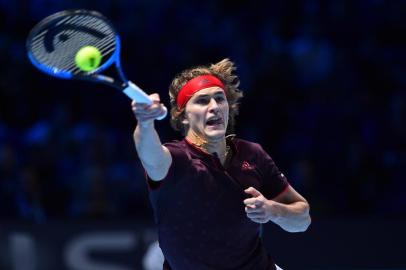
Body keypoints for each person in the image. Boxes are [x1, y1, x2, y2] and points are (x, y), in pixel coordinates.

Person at [132, 59, 311, 270]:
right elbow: (148, 152)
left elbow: (303, 218)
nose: (214, 107)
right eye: (202, 101)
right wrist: (144, 122)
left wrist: (273, 210)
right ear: (183, 116)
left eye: (220, 98)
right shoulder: (175, 160)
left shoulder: (252, 155)